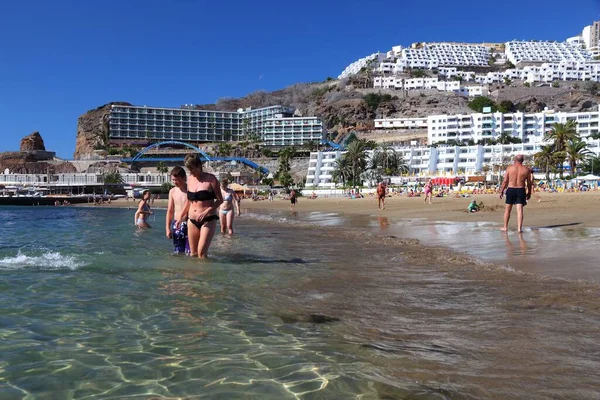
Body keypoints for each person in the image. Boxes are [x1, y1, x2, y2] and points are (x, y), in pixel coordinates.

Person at [177, 154, 223, 258]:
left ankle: (205, 273)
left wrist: (206, 211)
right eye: (189, 170)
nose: (191, 172)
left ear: (199, 166)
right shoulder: (189, 179)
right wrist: (180, 217)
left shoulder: (211, 179)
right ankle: (194, 274)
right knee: (193, 254)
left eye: (192, 169)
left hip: (208, 219)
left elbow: (220, 200)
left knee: (201, 253)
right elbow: (189, 201)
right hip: (192, 220)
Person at [499, 154, 533, 233]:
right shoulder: (526, 169)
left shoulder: (509, 168)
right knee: (520, 210)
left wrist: (501, 191)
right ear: (522, 160)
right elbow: (529, 182)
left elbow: (505, 181)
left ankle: (505, 227)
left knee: (508, 209)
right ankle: (519, 229)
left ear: (514, 160)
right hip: (521, 190)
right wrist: (529, 193)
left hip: (511, 189)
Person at [166, 166, 189, 255]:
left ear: (184, 178)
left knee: (190, 251)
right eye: (173, 180)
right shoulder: (172, 191)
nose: (175, 182)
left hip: (189, 222)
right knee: (178, 251)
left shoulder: (190, 189)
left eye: (177, 180)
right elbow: (170, 211)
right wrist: (167, 228)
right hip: (177, 224)